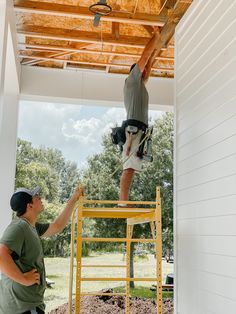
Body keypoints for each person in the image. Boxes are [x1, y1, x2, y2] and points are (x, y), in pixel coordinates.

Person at [0, 185, 82, 314]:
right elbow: (1, 255)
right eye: (37, 197)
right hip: (21, 307)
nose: (41, 198)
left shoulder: (32, 227)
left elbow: (57, 226)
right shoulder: (19, 226)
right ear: (29, 205)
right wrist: (24, 279)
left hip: (28, 304)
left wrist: (73, 199)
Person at [119, 28, 160, 203]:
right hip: (133, 132)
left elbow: (148, 66)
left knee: (132, 168)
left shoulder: (140, 86)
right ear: (136, 71)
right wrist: (155, 37)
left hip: (139, 132)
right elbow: (144, 58)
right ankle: (123, 202)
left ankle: (123, 201)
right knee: (129, 168)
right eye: (142, 70)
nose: (146, 72)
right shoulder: (132, 80)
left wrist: (155, 53)